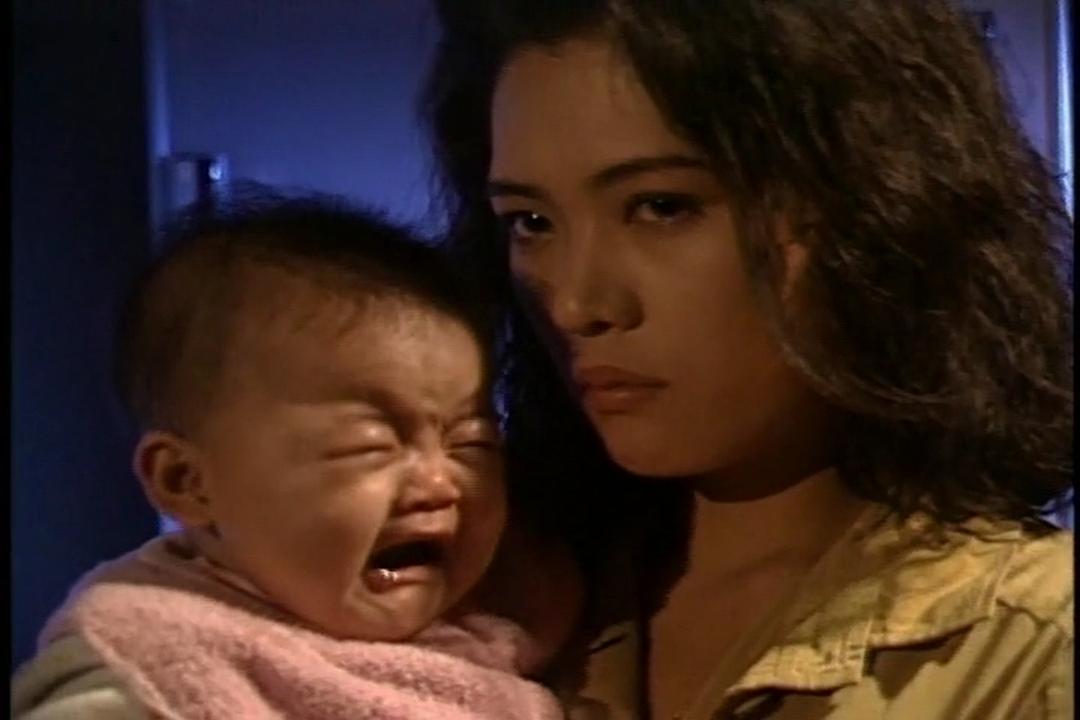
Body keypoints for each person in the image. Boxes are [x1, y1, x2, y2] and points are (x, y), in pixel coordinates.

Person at [420, 0, 1074, 718]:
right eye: (532, 223)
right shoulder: (475, 597)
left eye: (662, 207)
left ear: (874, 205)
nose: (575, 304)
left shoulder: (1035, 643)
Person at [10, 194, 567, 720]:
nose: (439, 483)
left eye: (471, 442)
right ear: (186, 481)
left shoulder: (497, 625)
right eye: (369, 444)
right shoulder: (147, 662)